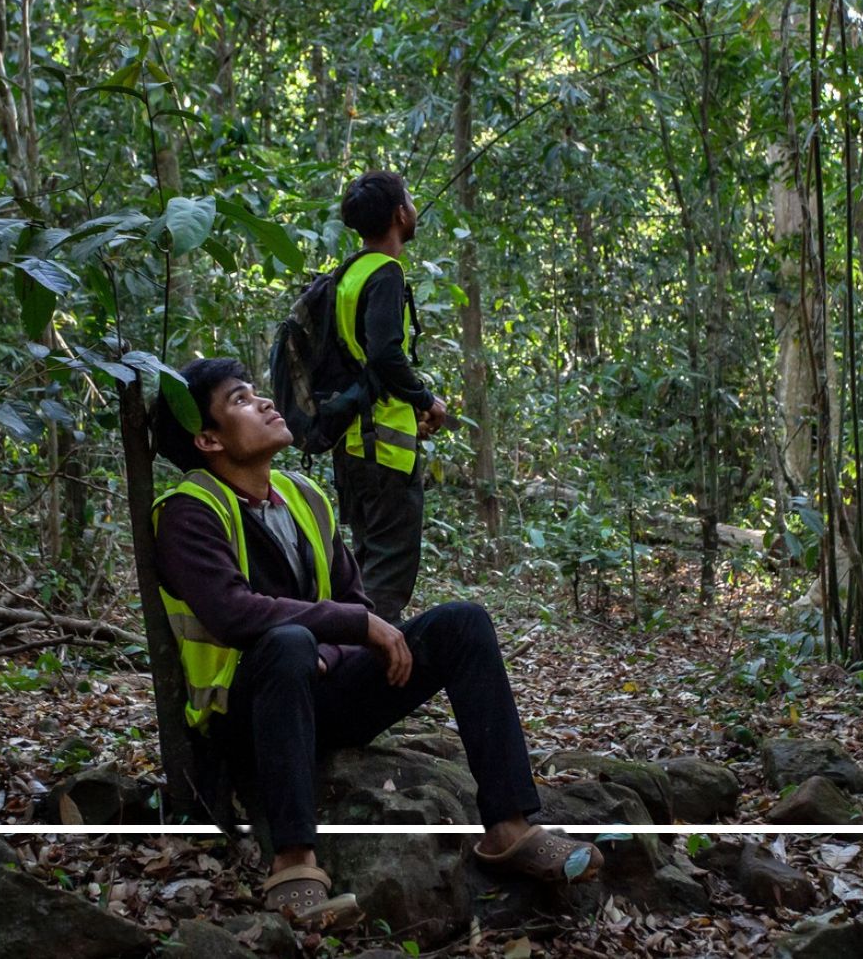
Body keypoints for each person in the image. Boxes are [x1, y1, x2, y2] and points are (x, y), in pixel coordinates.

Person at [150, 357, 599, 928]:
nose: (265, 402)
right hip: (246, 718)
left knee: (463, 623)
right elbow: (233, 614)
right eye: (241, 400)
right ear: (207, 438)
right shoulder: (189, 511)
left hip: (326, 695)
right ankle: (293, 865)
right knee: (287, 644)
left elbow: (354, 605)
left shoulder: (303, 495)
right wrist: (344, 634)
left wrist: (335, 647)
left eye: (256, 393)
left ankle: (509, 827)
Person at [329, 170, 447, 624]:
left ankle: (353, 666)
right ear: (400, 214)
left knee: (365, 561)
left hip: (353, 443)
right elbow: (382, 353)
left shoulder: (350, 272)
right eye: (411, 200)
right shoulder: (385, 272)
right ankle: (371, 676)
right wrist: (425, 399)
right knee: (389, 571)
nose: (414, 208)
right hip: (382, 448)